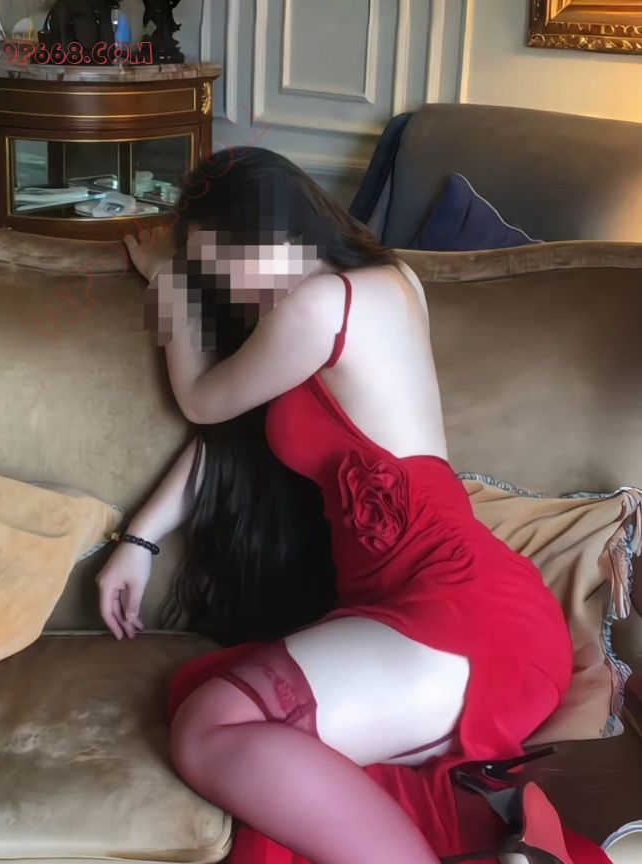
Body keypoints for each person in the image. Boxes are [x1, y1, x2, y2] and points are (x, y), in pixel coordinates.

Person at [95, 146, 612, 864]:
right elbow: (232, 442)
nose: (224, 287)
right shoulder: (382, 283)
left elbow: (202, 403)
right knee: (236, 733)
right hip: (439, 619)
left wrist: (169, 285)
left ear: (276, 233)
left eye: (220, 265)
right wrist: (140, 540)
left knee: (210, 728)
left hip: (462, 623)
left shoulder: (320, 306)